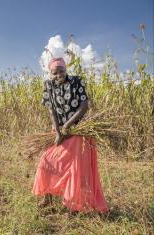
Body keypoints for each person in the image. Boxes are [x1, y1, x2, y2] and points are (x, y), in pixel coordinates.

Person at [32, 57, 107, 212]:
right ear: (50, 73)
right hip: (58, 132)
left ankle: (73, 204)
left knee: (74, 168)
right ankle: (48, 197)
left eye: (62, 71)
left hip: (77, 131)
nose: (59, 75)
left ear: (66, 70)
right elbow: (51, 110)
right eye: (55, 72)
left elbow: (84, 106)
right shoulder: (48, 85)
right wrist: (58, 131)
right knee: (46, 161)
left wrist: (67, 127)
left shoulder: (77, 81)